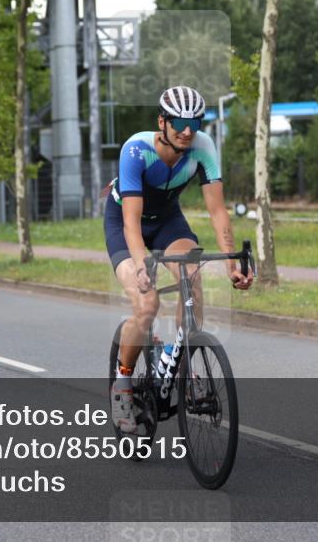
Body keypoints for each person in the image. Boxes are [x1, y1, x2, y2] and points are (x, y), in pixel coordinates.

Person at [105, 86, 253, 433]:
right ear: (163, 121)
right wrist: (142, 266)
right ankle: (122, 385)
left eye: (195, 121)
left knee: (193, 281)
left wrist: (233, 266)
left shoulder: (202, 148)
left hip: (168, 221)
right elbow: (130, 223)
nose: (188, 129)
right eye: (180, 122)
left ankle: (179, 362)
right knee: (147, 304)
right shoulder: (136, 150)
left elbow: (217, 212)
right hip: (126, 224)